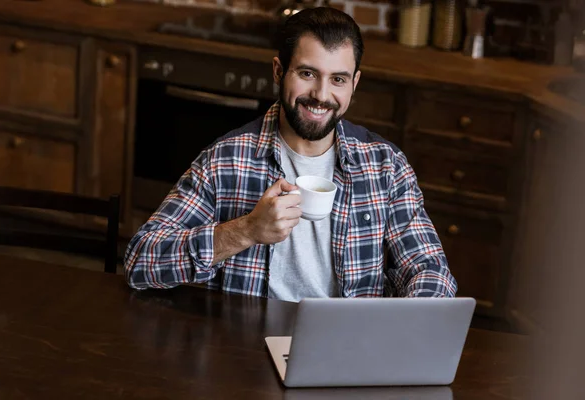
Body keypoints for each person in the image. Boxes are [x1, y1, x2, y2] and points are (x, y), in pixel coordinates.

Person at [124, 7, 457, 301]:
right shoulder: (225, 159)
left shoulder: (385, 167)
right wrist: (246, 230)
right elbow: (140, 261)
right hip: (243, 351)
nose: (321, 95)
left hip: (346, 352)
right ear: (279, 71)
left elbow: (430, 271)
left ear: (354, 83)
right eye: (307, 73)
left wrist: (413, 318)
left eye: (338, 79)